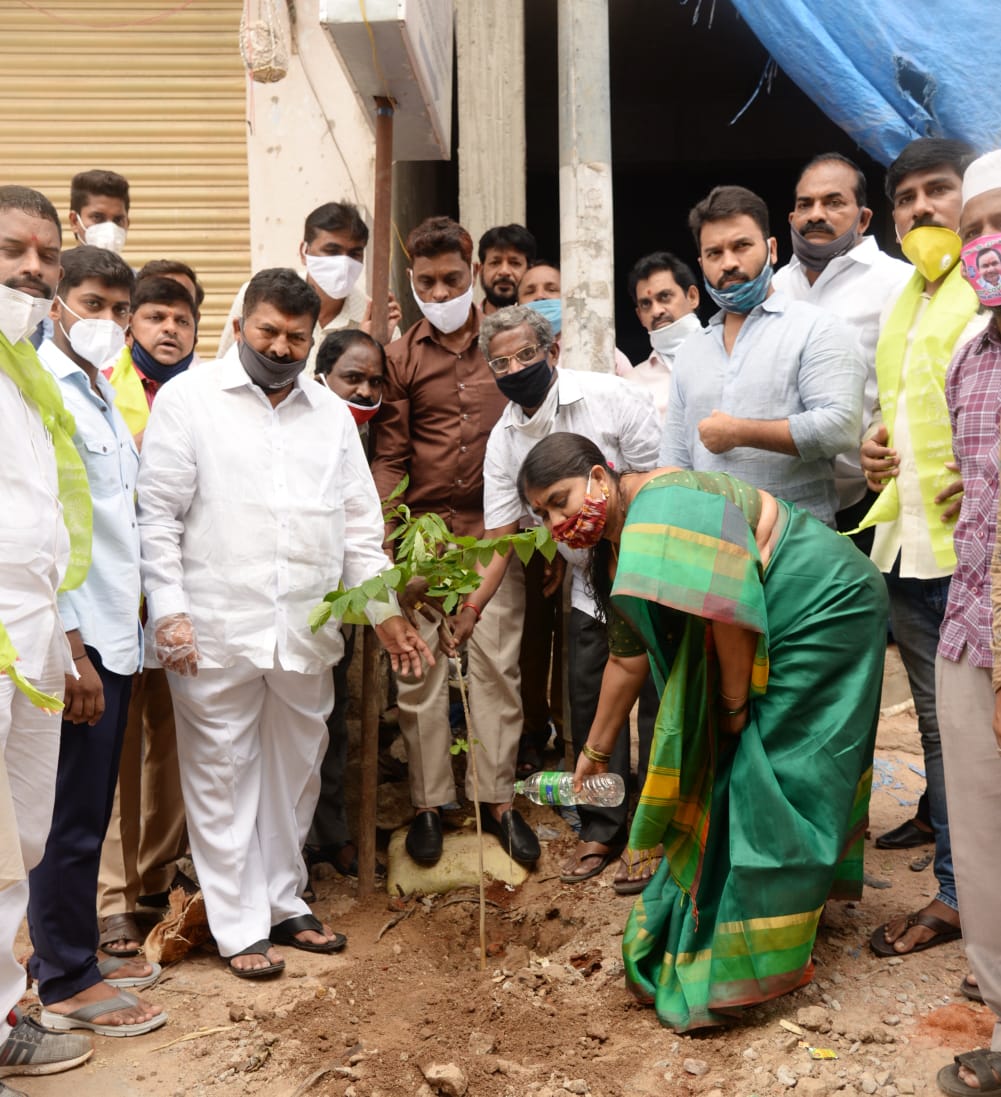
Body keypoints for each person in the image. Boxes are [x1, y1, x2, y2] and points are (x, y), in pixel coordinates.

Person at [517, 431, 886, 1032]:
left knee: (775, 774)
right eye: (543, 513)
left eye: (561, 499)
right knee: (746, 773)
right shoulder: (616, 546)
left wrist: (734, 709)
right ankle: (771, 914)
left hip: (823, 605)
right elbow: (627, 659)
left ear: (599, 474)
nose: (559, 521)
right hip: (769, 620)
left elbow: (731, 613)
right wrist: (594, 753)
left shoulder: (665, 503)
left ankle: (752, 957)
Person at [137, 268, 431, 978]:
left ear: (310, 339)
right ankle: (238, 925)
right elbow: (158, 518)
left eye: (295, 337)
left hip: (304, 626)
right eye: (266, 330)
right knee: (221, 772)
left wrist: (386, 616)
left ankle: (282, 898)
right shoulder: (189, 401)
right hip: (214, 626)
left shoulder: (329, 414)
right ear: (240, 324)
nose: (278, 345)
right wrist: (169, 612)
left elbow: (360, 532)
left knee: (297, 767)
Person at [453, 305, 661, 889]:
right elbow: (500, 541)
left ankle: (657, 827)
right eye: (500, 362)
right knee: (594, 703)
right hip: (589, 587)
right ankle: (601, 825)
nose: (514, 368)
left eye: (524, 355)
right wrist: (471, 609)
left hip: (650, 572)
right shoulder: (504, 442)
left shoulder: (612, 398)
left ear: (552, 352)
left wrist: (641, 572)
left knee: (661, 702)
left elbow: (654, 482)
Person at [370, 217, 537, 868]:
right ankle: (429, 803)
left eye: (449, 278)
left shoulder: (507, 346)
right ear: (411, 281)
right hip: (422, 538)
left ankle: (495, 801)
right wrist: (387, 540)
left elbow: (532, 436)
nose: (438, 291)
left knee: (497, 667)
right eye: (425, 281)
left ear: (472, 273)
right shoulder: (400, 357)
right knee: (419, 676)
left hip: (495, 537)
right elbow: (390, 455)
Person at [32, 245, 165, 1037]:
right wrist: (74, 650)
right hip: (78, 643)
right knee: (70, 816)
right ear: (57, 306)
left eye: (120, 308)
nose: (109, 322)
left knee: (86, 806)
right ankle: (65, 976)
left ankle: (72, 947)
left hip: (117, 633)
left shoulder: (102, 393)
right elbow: (52, 534)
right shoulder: (43, 394)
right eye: (93, 304)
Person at [861, 139, 984, 960]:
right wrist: (873, 449)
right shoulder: (907, 296)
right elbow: (904, 412)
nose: (918, 210)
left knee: (973, 733)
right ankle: (959, 887)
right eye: (904, 198)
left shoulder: (985, 285)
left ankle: (963, 896)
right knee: (943, 732)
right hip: (907, 544)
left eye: (934, 192)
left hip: (972, 553)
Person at [0, 185, 94, 1087]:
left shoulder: (26, 371)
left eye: (44, 252)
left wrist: (65, 638)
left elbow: (41, 526)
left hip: (29, 638)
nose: (32, 267)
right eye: (12, 249)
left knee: (20, 836)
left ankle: (2, 1014)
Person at [96, 274, 199, 959]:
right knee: (110, 751)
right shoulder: (101, 385)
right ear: (132, 323)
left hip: (184, 598)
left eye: (181, 319)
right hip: (111, 597)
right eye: (155, 316)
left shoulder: (209, 397)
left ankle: (154, 884)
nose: (168, 329)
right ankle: (108, 896)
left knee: (175, 746)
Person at [661, 184, 865, 528]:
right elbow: (675, 462)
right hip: (711, 555)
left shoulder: (816, 328)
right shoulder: (691, 351)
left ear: (771, 249)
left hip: (798, 551)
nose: (729, 263)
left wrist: (739, 432)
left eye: (741, 246)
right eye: (714, 253)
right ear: (702, 264)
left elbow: (839, 429)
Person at [930, 150, 1001, 1097]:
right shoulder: (968, 354)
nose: (987, 245)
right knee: (981, 834)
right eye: (976, 226)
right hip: (970, 622)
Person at [773, 152, 911, 543]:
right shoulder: (775, 290)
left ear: (863, 218)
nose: (817, 214)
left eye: (834, 202)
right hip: (783, 508)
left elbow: (908, 385)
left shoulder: (898, 283)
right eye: (806, 204)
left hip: (872, 501)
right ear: (792, 219)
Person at [305, 329, 387, 877]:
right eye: (350, 379)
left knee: (331, 723)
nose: (362, 391)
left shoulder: (379, 437)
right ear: (322, 379)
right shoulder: (300, 429)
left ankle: (329, 832)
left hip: (348, 598)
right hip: (296, 599)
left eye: (373, 381)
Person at [217, 201, 400, 366]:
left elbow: (381, 394)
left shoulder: (375, 321)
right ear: (304, 252)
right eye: (332, 251)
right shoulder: (257, 296)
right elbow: (224, 368)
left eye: (354, 254)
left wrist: (370, 345)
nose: (344, 263)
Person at [626, 252, 702, 423]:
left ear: (692, 297)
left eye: (665, 297)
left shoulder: (729, 353)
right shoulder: (631, 384)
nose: (656, 311)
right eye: (646, 304)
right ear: (639, 316)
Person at [477, 224, 536, 314]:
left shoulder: (544, 325)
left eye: (514, 263)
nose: (504, 271)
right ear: (481, 270)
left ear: (530, 270)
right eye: (495, 263)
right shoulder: (463, 324)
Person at [68, 170, 130, 255]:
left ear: (128, 223)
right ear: (74, 221)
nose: (110, 229)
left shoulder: (132, 269)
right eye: (97, 218)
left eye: (117, 220)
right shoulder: (54, 268)